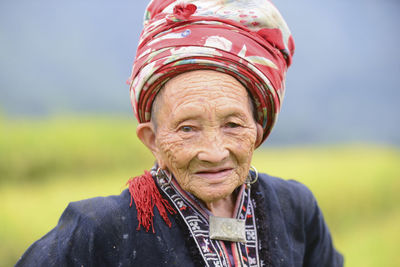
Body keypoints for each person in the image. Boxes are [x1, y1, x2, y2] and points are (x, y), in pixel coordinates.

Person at [16, 0, 343, 266]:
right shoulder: (98, 229)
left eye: (232, 125)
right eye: (188, 128)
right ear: (152, 140)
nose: (214, 152)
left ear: (258, 131)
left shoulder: (295, 208)